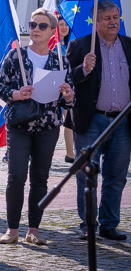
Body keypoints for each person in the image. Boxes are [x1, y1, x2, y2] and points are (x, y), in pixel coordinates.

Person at [0, 8, 74, 246]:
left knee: (40, 178)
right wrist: (17, 94)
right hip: (19, 125)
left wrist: (69, 95)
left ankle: (34, 229)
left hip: (48, 126)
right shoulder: (15, 56)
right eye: (32, 25)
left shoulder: (59, 59)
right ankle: (12, 229)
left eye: (41, 26)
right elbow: (0, 88)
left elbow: (69, 99)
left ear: (52, 30)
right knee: (16, 176)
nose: (35, 30)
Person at [67, 0, 130, 241]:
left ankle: (109, 224)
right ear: (96, 21)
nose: (113, 21)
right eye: (107, 18)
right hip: (91, 120)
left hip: (122, 122)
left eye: (116, 16)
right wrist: (83, 69)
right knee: (87, 174)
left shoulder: (128, 45)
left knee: (117, 175)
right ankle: (88, 224)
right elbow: (67, 80)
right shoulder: (81, 45)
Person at [55, 14, 75, 163]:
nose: (64, 27)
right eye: (61, 24)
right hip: (54, 87)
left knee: (69, 118)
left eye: (66, 25)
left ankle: (70, 153)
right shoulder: (52, 45)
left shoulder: (71, 45)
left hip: (67, 87)